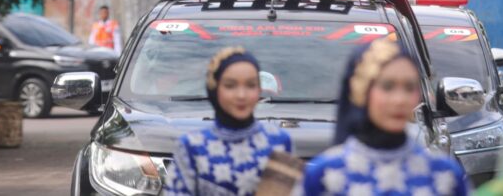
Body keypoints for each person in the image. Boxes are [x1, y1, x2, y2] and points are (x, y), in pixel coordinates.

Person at [303, 39, 468, 195]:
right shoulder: (325, 176)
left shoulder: (444, 175)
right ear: (363, 92)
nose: (399, 99)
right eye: (387, 87)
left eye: (409, 87)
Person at [163, 47, 292, 195]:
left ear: (259, 91)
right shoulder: (191, 147)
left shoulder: (279, 143)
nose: (241, 95)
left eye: (250, 85)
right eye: (230, 86)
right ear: (214, 89)